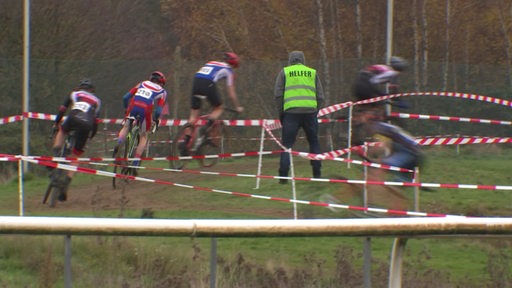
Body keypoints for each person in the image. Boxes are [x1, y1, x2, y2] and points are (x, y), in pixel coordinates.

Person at [274, 51, 325, 184]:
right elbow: (320, 96)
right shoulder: (312, 72)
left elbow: (278, 95)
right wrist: (315, 110)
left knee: (287, 146)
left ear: (290, 60)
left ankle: (283, 177)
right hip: (310, 113)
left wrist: (282, 113)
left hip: (290, 114)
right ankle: (317, 174)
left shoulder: (284, 72)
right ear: (303, 59)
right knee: (314, 142)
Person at [180, 52, 244, 154]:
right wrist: (237, 107)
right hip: (208, 83)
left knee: (193, 117)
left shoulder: (212, 62)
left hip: (196, 81)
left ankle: (185, 142)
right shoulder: (229, 71)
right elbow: (231, 93)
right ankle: (206, 127)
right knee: (219, 108)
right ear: (234, 65)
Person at [51, 79, 101, 201]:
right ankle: (66, 184)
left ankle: (56, 155)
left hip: (73, 118)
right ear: (92, 91)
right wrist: (90, 136)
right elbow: (95, 123)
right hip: (86, 125)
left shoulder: (74, 94)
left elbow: (62, 110)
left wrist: (56, 124)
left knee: (62, 131)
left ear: (80, 88)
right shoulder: (97, 101)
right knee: (76, 154)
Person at [114, 71, 168, 170]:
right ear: (161, 83)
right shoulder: (163, 92)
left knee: (126, 127)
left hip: (133, 106)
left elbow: (125, 97)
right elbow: (158, 110)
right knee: (144, 136)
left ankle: (119, 143)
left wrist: (126, 109)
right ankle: (135, 162)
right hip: (145, 109)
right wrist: (155, 120)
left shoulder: (142, 83)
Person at [351, 56, 408, 145]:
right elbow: (393, 89)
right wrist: (397, 100)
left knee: (366, 108)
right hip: (367, 85)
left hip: (357, 86)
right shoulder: (392, 73)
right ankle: (369, 127)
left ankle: (358, 128)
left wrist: (385, 97)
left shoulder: (383, 68)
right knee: (378, 106)